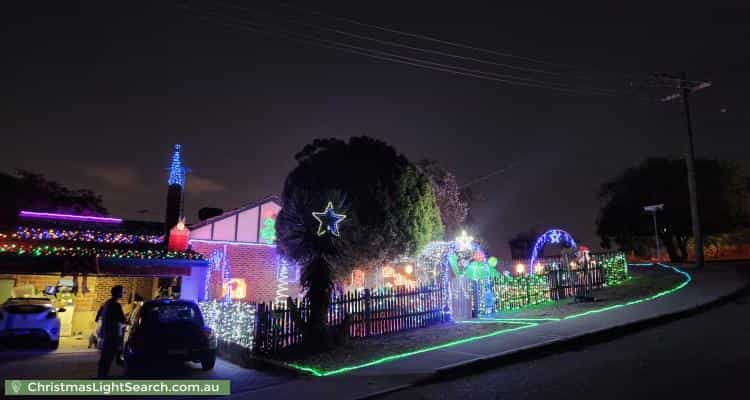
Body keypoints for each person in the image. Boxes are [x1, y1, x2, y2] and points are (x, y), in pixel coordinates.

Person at [97, 285, 127, 378]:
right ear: (118, 293)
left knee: (106, 357)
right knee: (109, 357)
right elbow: (122, 319)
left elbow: (99, 316)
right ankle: (103, 377)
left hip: (107, 334)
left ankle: (102, 375)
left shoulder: (107, 303)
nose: (124, 293)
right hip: (112, 335)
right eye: (123, 291)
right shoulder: (115, 305)